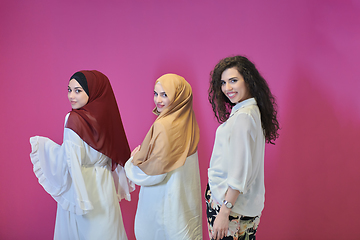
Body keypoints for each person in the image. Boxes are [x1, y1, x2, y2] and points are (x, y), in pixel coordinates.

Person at [29, 70, 133, 240]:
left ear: (92, 91)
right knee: (109, 231)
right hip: (105, 187)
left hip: (82, 186)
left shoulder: (73, 119)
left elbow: (72, 160)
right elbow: (115, 156)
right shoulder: (108, 119)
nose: (71, 96)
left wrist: (47, 149)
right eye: (69, 90)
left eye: (78, 90)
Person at [206, 55, 280, 240]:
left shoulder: (243, 117)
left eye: (233, 81)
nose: (227, 88)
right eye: (223, 83)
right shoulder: (249, 110)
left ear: (248, 80)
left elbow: (239, 172)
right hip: (235, 205)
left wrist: (224, 212)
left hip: (231, 207)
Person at [124, 73, 203, 240]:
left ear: (178, 97)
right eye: (156, 93)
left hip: (162, 206)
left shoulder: (163, 125)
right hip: (184, 203)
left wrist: (132, 163)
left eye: (164, 94)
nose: (158, 100)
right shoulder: (189, 121)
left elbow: (155, 173)